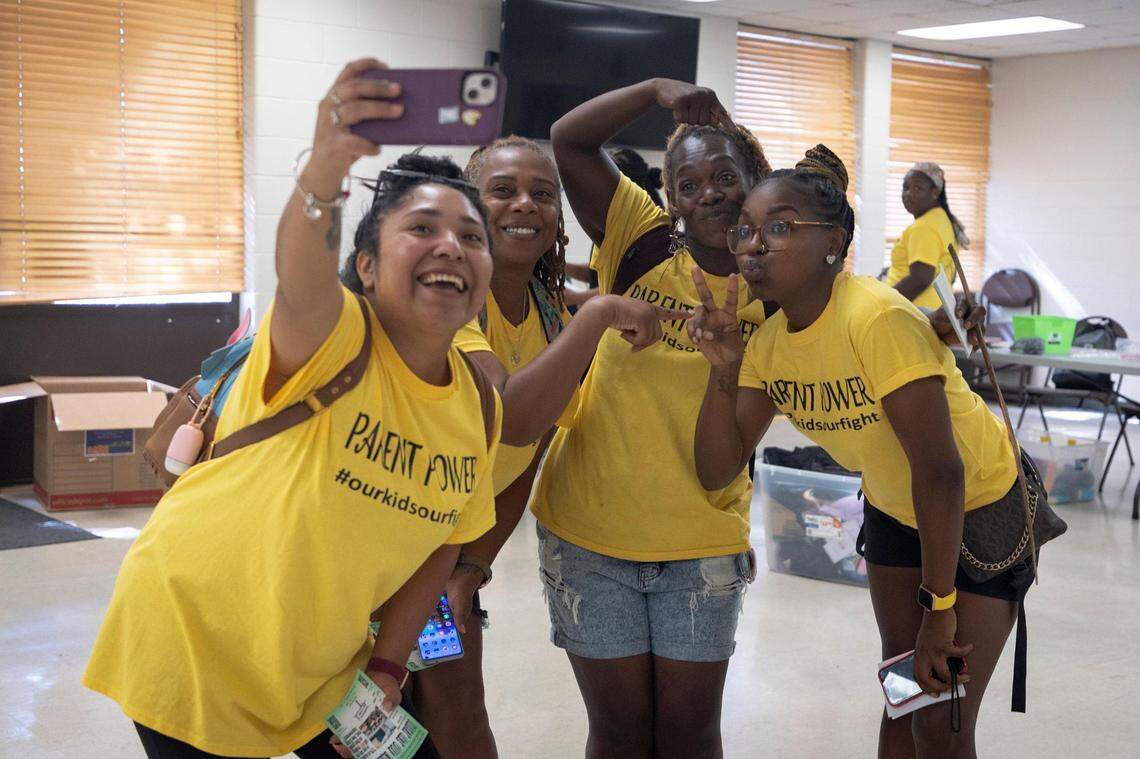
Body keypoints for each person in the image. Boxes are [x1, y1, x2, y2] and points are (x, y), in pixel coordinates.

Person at [84, 59, 679, 759]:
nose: (451, 243)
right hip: (195, 635)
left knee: (434, 733)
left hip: (332, 660)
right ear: (367, 265)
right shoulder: (330, 338)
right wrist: (325, 171)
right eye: (422, 227)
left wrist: (389, 667)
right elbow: (303, 269)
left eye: (469, 235)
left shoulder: (473, 405)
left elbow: (445, 537)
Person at [689, 145, 1045, 759]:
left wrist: (940, 611)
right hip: (895, 511)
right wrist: (723, 371)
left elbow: (941, 472)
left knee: (942, 724)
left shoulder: (878, 319)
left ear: (834, 242)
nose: (753, 244)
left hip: (981, 508)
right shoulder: (769, 344)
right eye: (746, 230)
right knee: (905, 700)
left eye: (779, 227)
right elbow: (718, 468)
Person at [398, 135, 575, 759]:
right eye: (503, 190)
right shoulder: (448, 297)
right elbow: (513, 418)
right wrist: (601, 316)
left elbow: (521, 464)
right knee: (370, 721)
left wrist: (469, 573)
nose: (525, 205)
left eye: (543, 194)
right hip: (380, 556)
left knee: (454, 717)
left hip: (445, 559)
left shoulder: (551, 313)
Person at [885, 162, 971, 308]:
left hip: (916, 312)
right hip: (933, 308)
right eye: (905, 187)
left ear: (935, 192)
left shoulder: (924, 227)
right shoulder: (941, 219)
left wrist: (883, 304)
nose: (908, 193)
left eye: (917, 188)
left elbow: (920, 279)